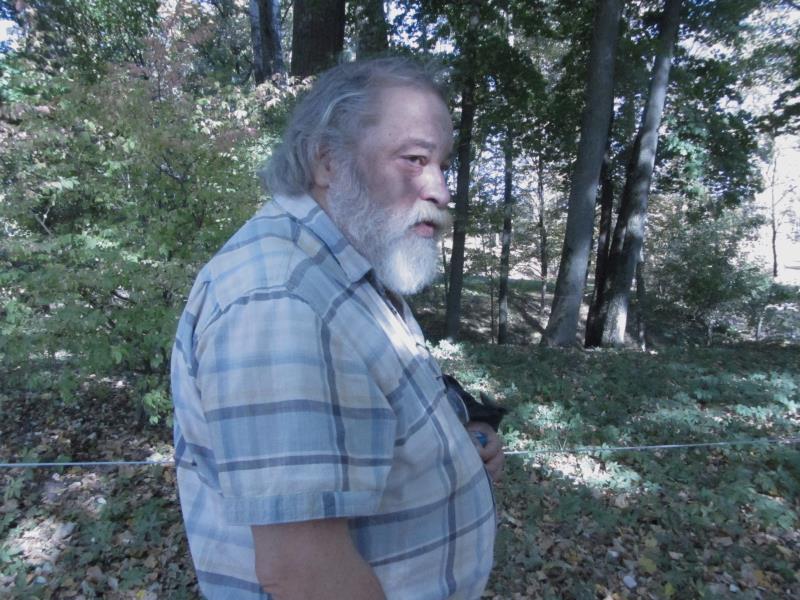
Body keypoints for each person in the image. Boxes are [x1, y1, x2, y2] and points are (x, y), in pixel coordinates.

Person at [171, 57, 504, 600]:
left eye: (442, 164)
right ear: (328, 160)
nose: (442, 191)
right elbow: (303, 573)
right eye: (415, 159)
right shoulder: (281, 300)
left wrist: (460, 447)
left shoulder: (348, 267)